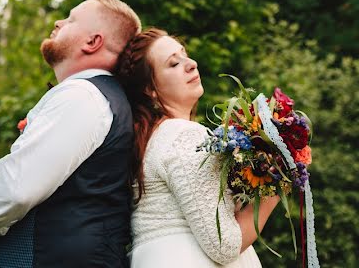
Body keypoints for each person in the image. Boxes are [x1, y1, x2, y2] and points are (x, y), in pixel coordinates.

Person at [0, 0, 141, 268]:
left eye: (71, 19)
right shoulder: (103, 97)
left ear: (92, 41)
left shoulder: (84, 96)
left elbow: (18, 185)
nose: (58, 22)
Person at [116, 28, 281, 267]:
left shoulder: (154, 138)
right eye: (173, 63)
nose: (191, 64)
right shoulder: (183, 136)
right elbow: (224, 245)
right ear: (149, 89)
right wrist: (275, 188)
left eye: (185, 55)